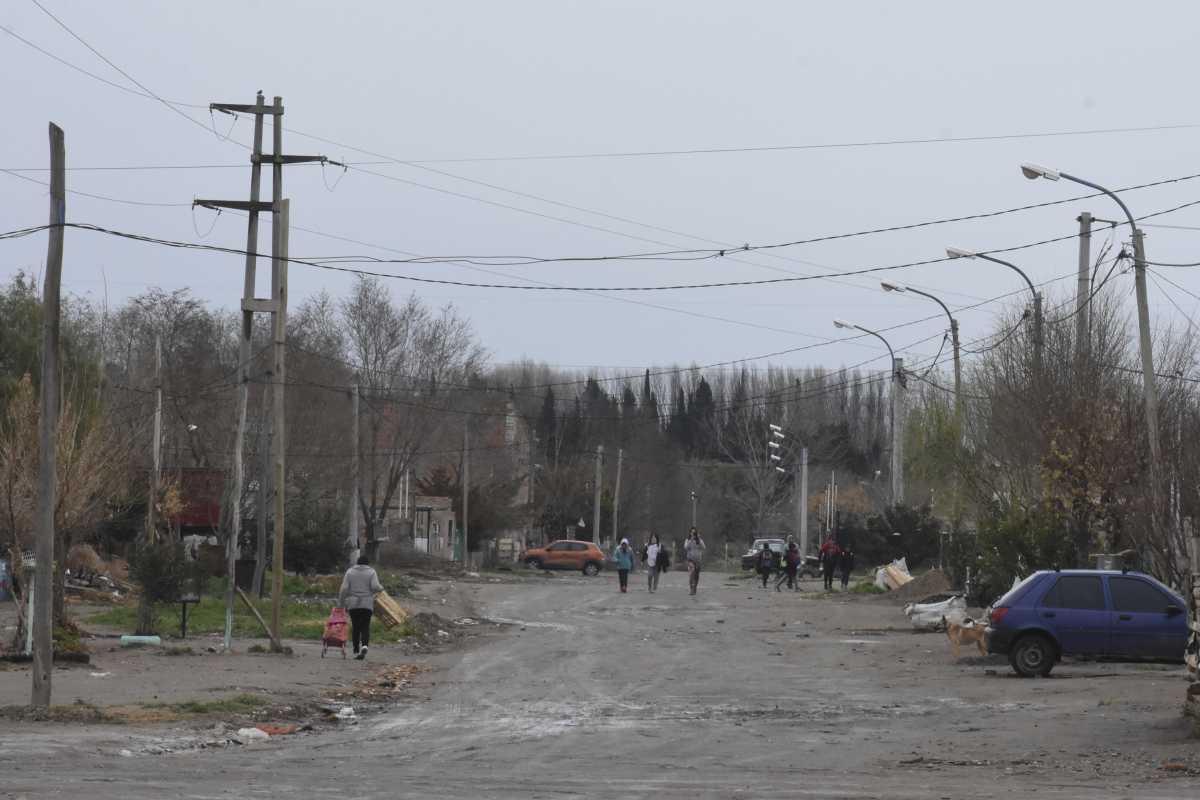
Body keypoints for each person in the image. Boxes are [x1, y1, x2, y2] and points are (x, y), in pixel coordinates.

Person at [338, 554, 384, 660]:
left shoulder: (350, 572)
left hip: (353, 604)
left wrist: (341, 603)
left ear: (357, 562)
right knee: (365, 626)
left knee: (356, 627)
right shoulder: (371, 572)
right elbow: (375, 586)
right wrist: (382, 589)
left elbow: (344, 588)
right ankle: (364, 646)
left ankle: (355, 649)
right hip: (367, 604)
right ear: (368, 563)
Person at [684, 527, 706, 596]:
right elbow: (686, 547)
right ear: (690, 533)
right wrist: (691, 540)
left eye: (694, 533)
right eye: (692, 532)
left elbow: (704, 547)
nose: (693, 534)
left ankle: (694, 588)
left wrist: (698, 540)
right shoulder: (687, 540)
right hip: (690, 560)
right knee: (691, 574)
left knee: (696, 576)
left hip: (698, 560)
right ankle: (691, 589)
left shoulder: (699, 540)